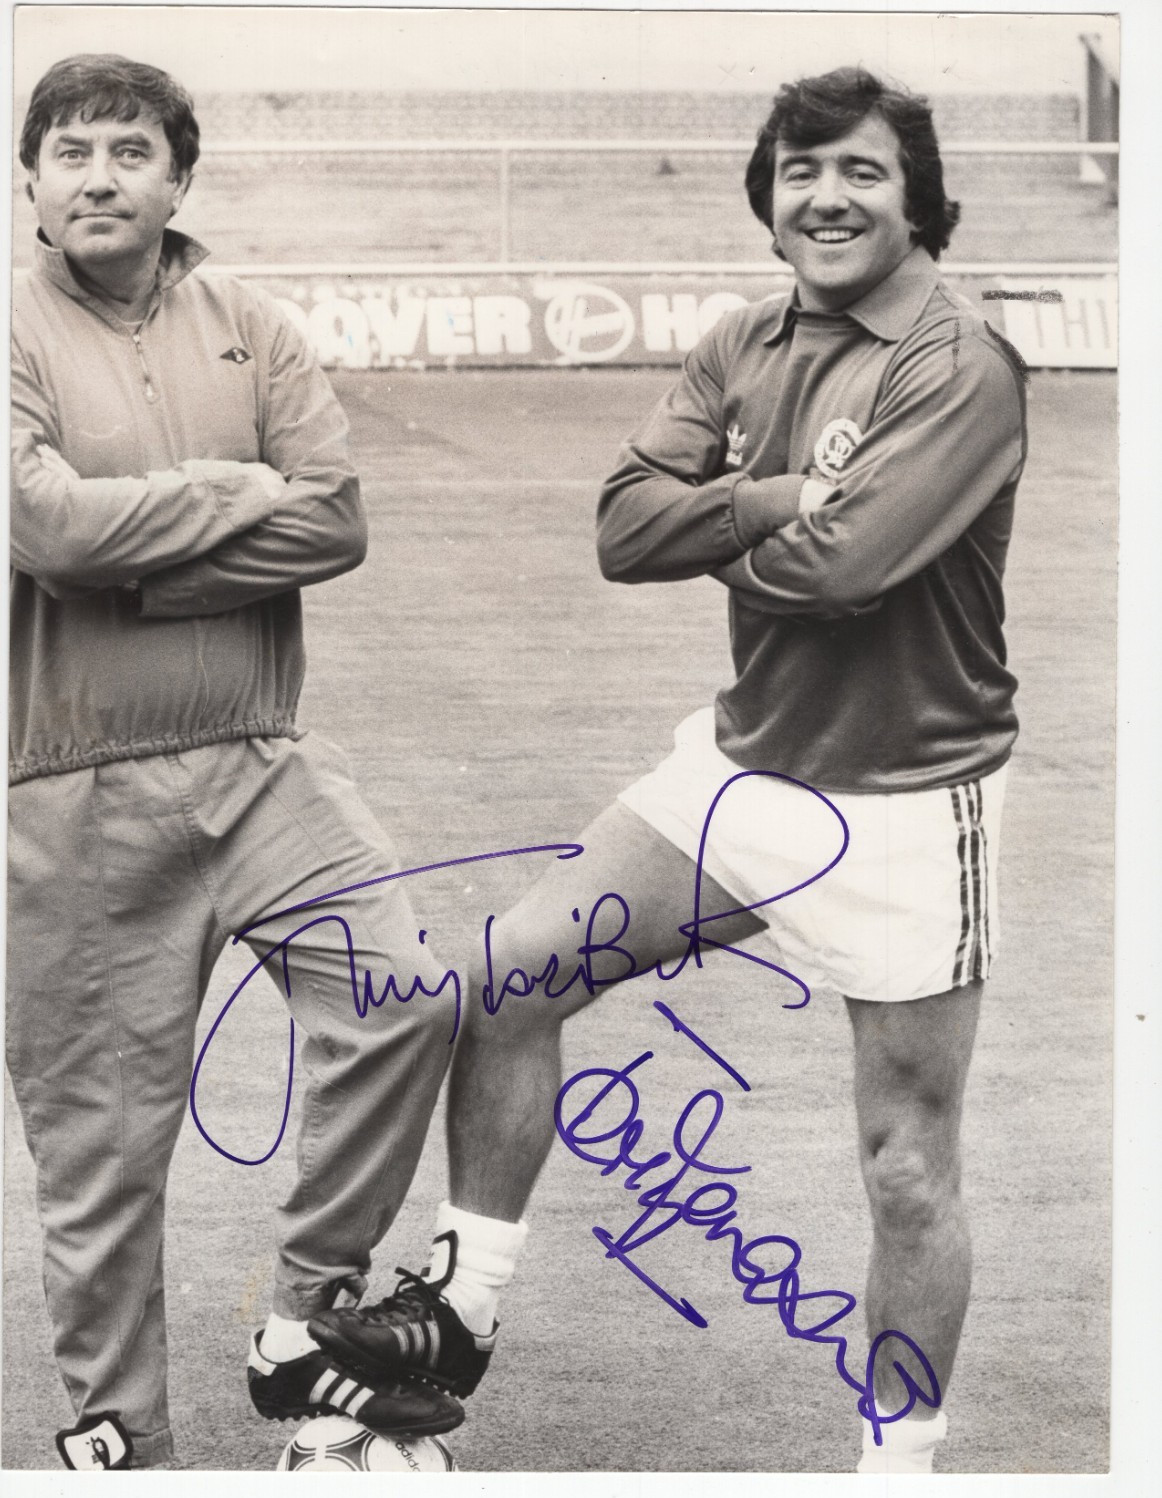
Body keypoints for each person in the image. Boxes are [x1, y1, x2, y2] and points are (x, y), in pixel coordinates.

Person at [310, 67, 1029, 1474]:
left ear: (915, 198)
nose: (825, 195)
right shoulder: (739, 337)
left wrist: (750, 525)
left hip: (904, 805)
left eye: (861, 172)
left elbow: (846, 572)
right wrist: (769, 495)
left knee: (903, 1158)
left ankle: (899, 1460)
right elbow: (620, 527)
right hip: (742, 770)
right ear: (765, 200)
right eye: (799, 171)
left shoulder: (957, 360)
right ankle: (458, 1316)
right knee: (511, 972)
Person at [8, 54, 463, 1470]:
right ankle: (117, 1436)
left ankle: (306, 1324)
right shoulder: (10, 329)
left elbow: (333, 525)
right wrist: (224, 491)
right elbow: (46, 532)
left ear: (179, 178)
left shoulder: (247, 323)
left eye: (129, 151)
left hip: (265, 763)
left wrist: (141, 573)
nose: (99, 175)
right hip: (73, 787)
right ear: (29, 180)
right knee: (102, 1145)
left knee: (405, 996)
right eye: (70, 150)